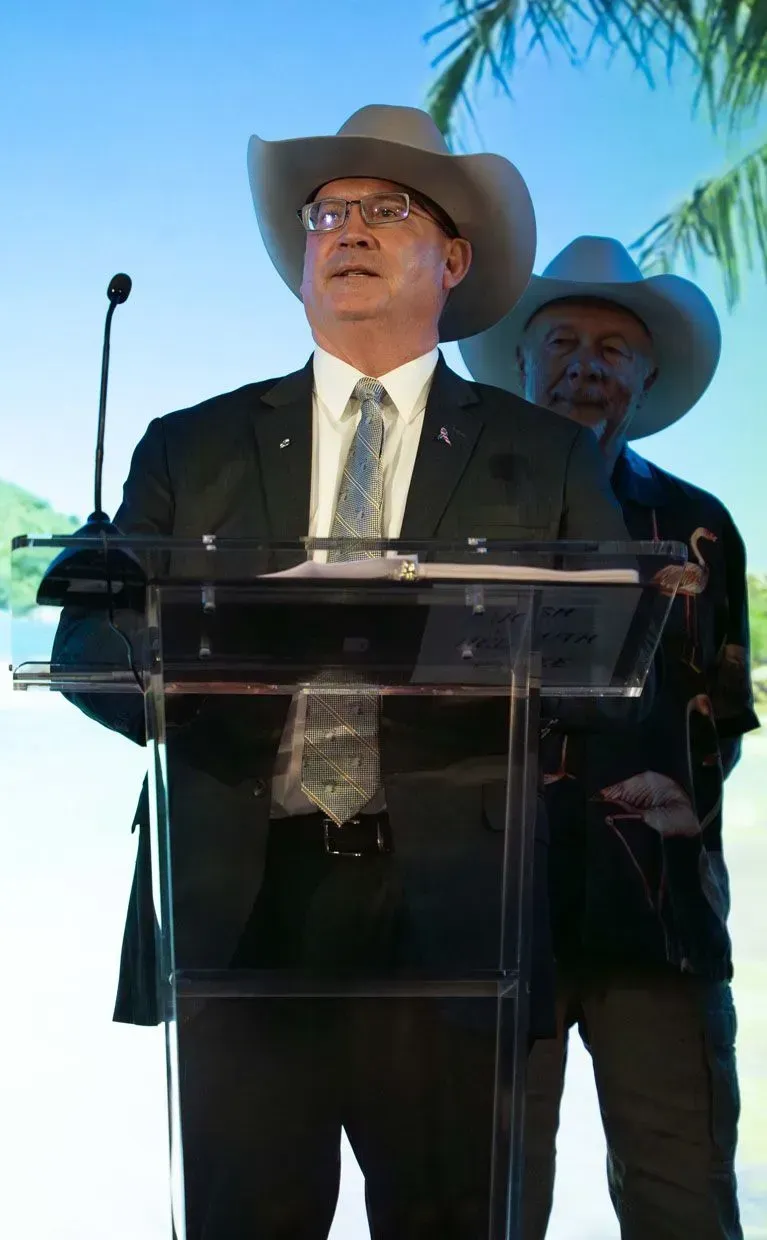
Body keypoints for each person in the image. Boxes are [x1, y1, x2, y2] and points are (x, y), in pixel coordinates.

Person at [53, 118, 632, 1240]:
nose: (348, 231)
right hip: (242, 903)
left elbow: (606, 654)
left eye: (386, 210)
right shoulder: (191, 447)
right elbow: (91, 648)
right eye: (328, 212)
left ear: (452, 261)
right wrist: (213, 666)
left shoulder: (543, 455)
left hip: (454, 916)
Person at [460, 234, 760, 1240]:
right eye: (562, 340)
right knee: (484, 1202)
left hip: (658, 923)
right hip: (493, 919)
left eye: (610, 347)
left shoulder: (699, 525)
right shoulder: (455, 518)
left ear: (643, 375)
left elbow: (719, 718)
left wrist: (684, 816)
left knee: (683, 1199)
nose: (585, 363)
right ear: (520, 362)